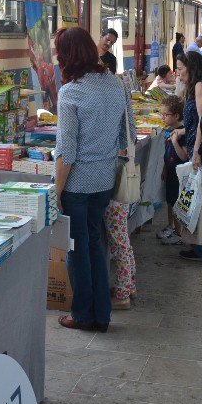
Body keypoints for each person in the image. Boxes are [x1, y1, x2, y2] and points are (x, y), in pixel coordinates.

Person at [54, 27, 135, 332]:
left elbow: (66, 152)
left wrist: (56, 191)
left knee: (78, 249)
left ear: (67, 56)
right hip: (105, 180)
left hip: (76, 185)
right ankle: (101, 313)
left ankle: (83, 314)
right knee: (94, 246)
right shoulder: (116, 85)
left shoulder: (70, 93)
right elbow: (126, 131)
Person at [173, 51, 202, 263]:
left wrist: (195, 152)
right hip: (201, 147)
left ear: (191, 68)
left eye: (181, 69)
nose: (178, 73)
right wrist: (184, 131)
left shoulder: (201, 85)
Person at [157, 95, 187, 247]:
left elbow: (183, 156)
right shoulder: (170, 129)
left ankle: (179, 233)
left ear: (176, 115)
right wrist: (164, 168)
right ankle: (171, 226)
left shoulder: (182, 133)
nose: (162, 117)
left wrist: (175, 141)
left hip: (179, 173)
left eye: (165, 115)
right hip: (170, 170)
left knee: (176, 203)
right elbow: (166, 153)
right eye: (161, 114)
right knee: (170, 201)